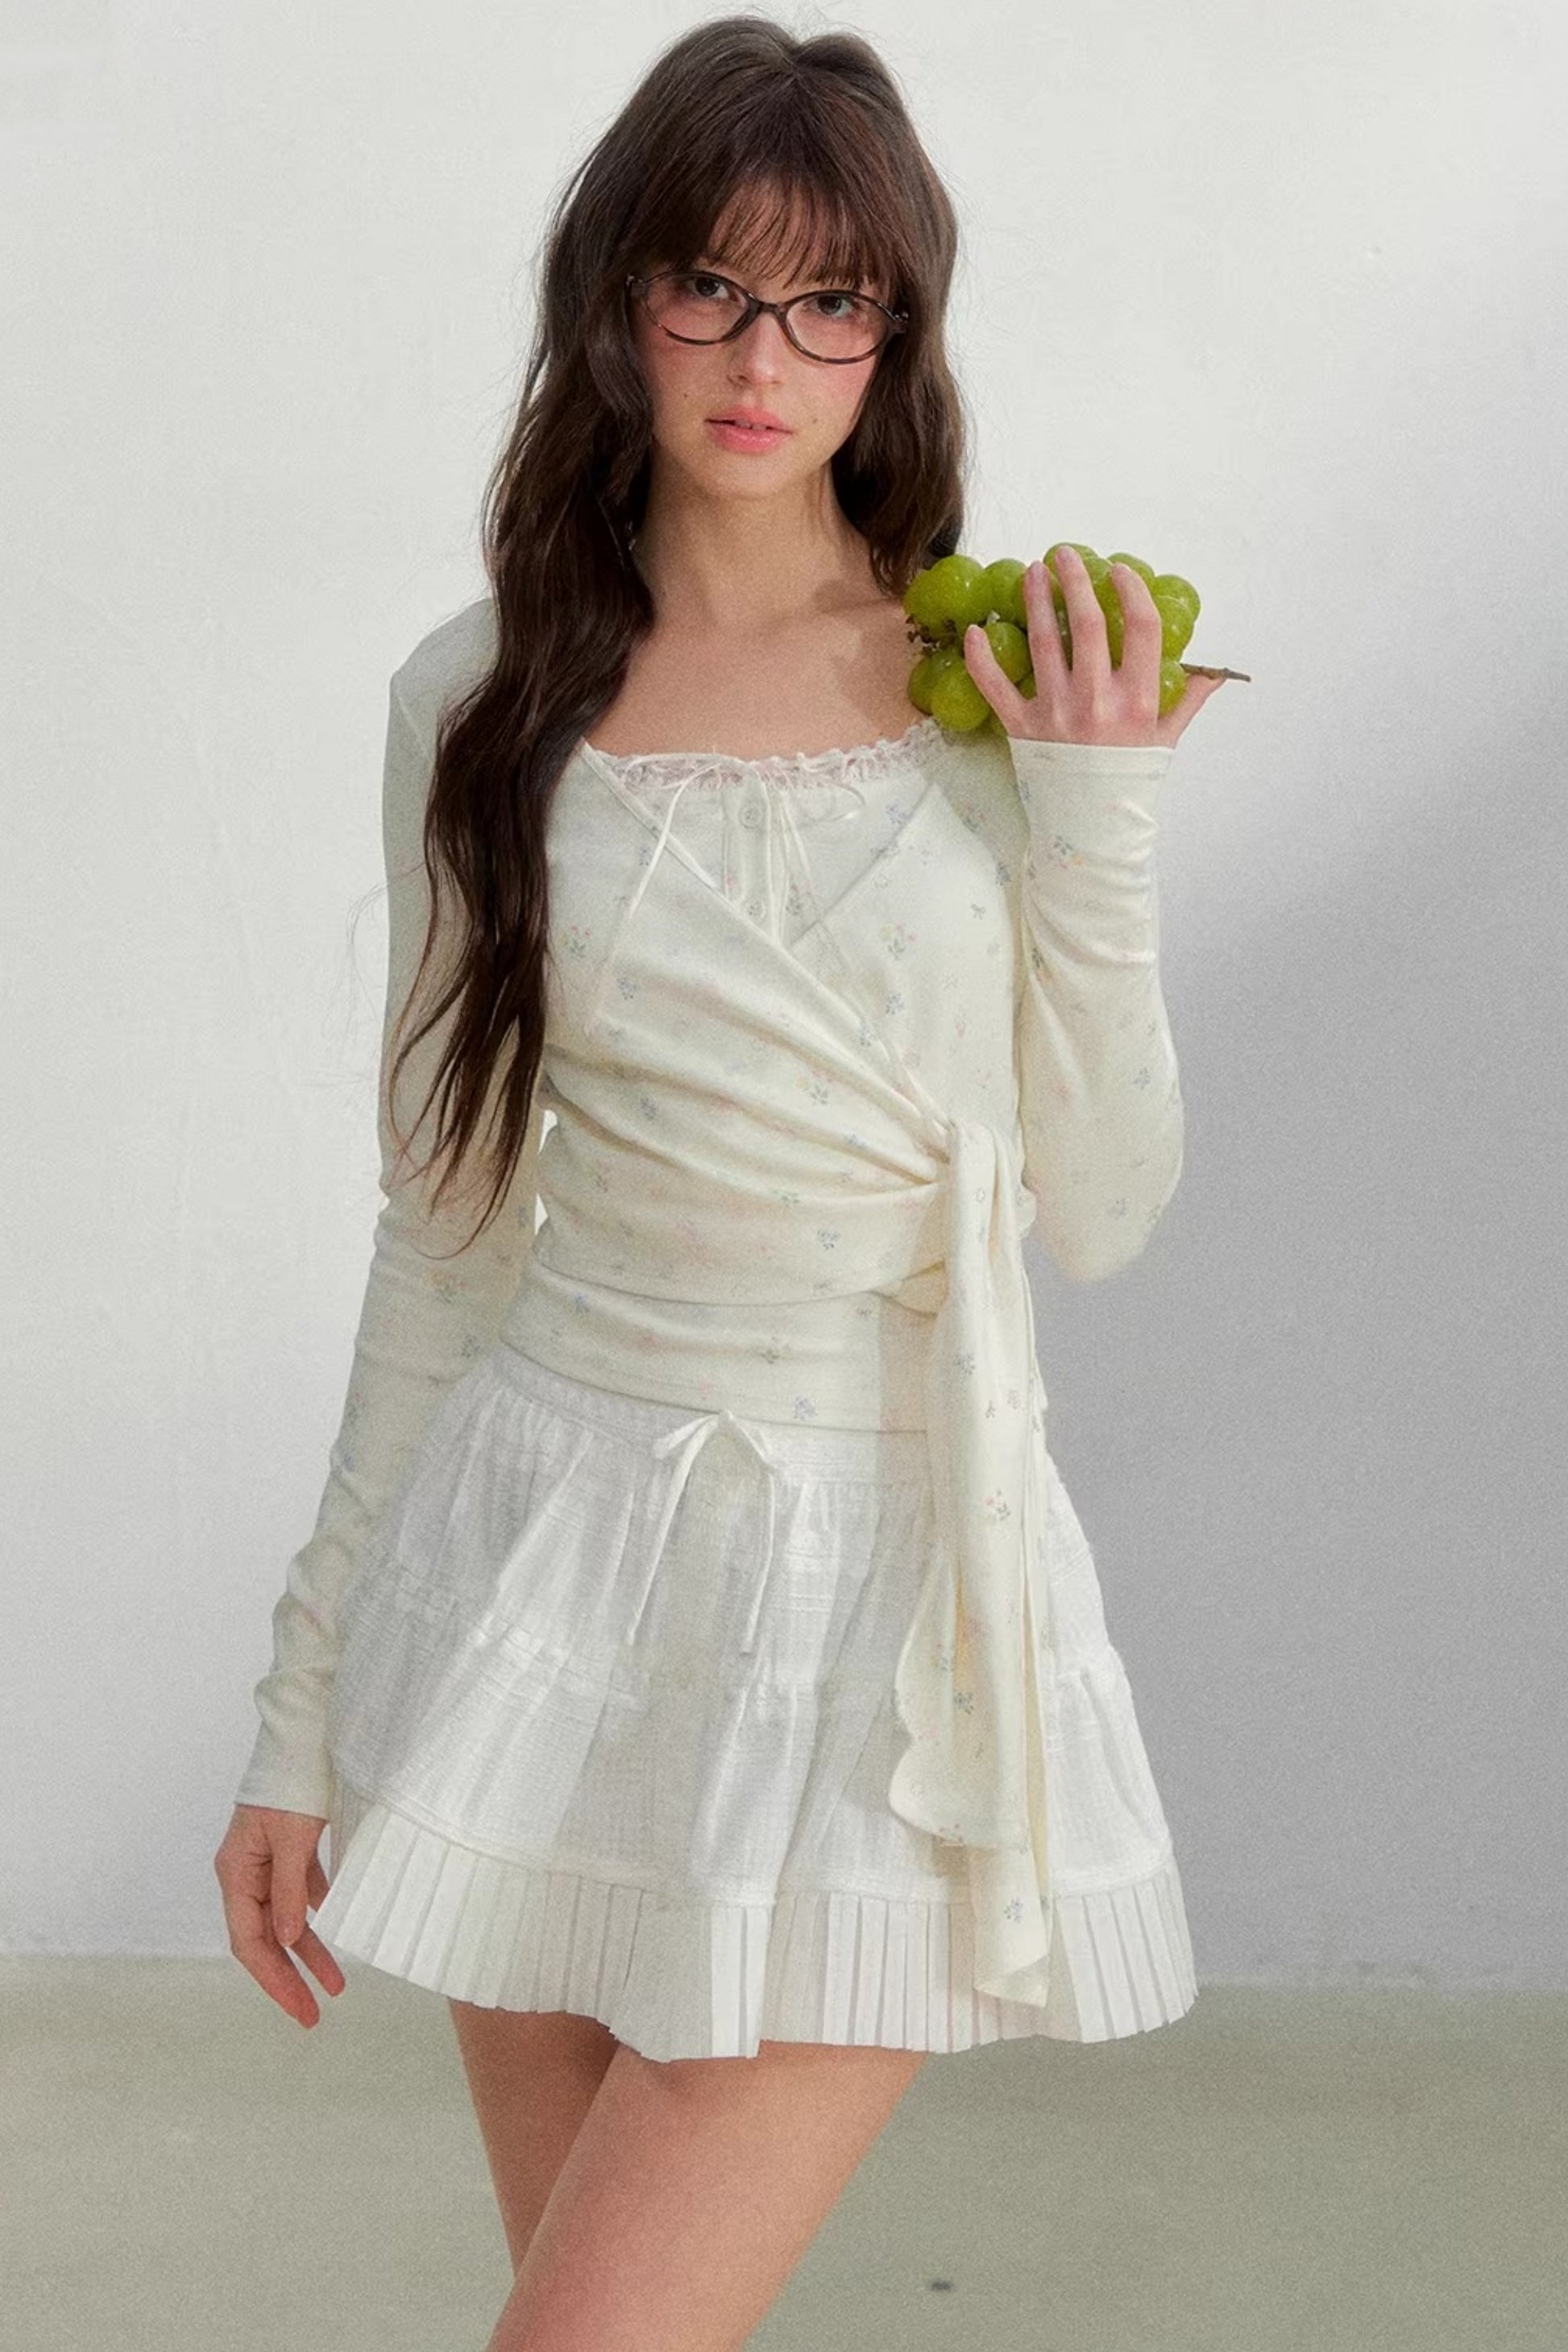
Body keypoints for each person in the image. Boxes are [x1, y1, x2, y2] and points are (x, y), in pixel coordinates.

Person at [214, 18, 1230, 2350]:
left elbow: (1099, 1214)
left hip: (883, 1590)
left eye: (831, 300)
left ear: (898, 331)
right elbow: (446, 1230)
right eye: (711, 287)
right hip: (540, 1564)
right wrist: (294, 1718)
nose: (767, 361)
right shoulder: (483, 701)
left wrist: (1101, 817)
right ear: (616, 301)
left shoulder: (1002, 690)